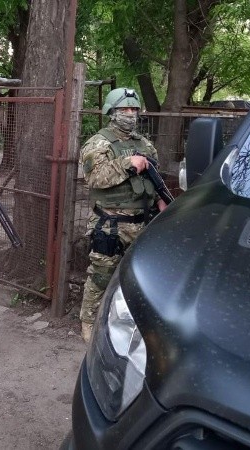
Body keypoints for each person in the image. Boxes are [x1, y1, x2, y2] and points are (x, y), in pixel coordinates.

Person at [78, 87, 167, 343]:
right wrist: (128, 164)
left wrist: (161, 201)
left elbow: (155, 179)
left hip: (143, 222)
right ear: (112, 112)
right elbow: (95, 178)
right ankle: (89, 324)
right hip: (111, 225)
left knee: (136, 277)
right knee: (101, 275)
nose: (130, 114)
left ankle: (125, 324)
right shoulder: (99, 143)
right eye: (124, 110)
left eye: (133, 109)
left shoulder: (144, 144)